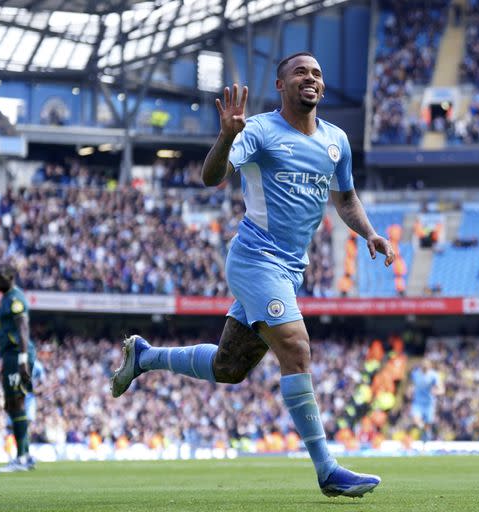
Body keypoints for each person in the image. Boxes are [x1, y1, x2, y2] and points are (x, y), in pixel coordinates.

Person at [111, 52, 395, 498]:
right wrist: (226, 136)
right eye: (301, 72)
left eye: (318, 73)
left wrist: (371, 234)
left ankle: (145, 357)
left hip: (289, 269)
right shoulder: (259, 130)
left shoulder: (337, 140)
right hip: (255, 259)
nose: (311, 78)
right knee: (297, 349)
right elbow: (212, 176)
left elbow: (346, 199)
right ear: (281, 85)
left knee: (229, 367)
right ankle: (327, 470)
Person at [0, 265, 37, 472]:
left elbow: (23, 327)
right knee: (11, 404)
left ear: (10, 278)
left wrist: (22, 358)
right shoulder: (5, 298)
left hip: (17, 354)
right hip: (9, 355)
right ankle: (24, 456)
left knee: (16, 402)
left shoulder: (15, 299)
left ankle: (22, 457)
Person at [409, 359, 443, 442]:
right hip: (418, 402)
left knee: (428, 425)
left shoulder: (434, 375)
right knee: (416, 420)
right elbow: (411, 384)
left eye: (426, 365)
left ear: (430, 366)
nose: (425, 367)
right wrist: (410, 390)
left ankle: (425, 441)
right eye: (423, 365)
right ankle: (423, 428)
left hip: (429, 404)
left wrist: (436, 391)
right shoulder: (415, 374)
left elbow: (441, 389)